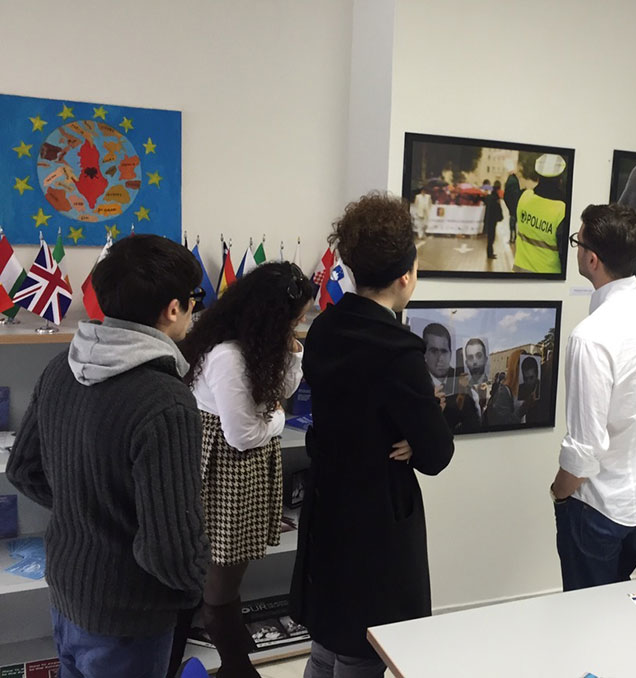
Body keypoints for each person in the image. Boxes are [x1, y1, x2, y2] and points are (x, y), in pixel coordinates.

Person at [7, 234, 209, 678]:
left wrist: (86, 507)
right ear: (173, 309)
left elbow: (22, 469)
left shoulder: (60, 368)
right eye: (194, 298)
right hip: (131, 615)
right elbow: (171, 550)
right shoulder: (166, 401)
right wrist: (196, 587)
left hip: (68, 590)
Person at [291, 191, 455, 678]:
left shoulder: (325, 329)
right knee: (364, 653)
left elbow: (349, 411)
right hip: (376, 520)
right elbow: (436, 453)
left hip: (329, 505)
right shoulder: (397, 351)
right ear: (407, 275)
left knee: (326, 645)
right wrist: (416, 432)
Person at [177, 262, 313, 678]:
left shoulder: (251, 345)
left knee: (225, 578)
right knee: (221, 584)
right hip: (227, 473)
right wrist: (277, 419)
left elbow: (281, 389)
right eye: (296, 318)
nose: (300, 324)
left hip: (241, 468)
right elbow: (242, 435)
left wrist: (293, 351)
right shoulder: (228, 356)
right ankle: (237, 668)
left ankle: (233, 664)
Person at [550, 204, 636, 591]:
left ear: (591, 259)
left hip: (598, 506)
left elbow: (585, 447)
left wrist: (559, 493)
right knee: (620, 604)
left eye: (577, 242)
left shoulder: (591, 337)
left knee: (586, 612)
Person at [513, 153, 567, 274]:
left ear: (538, 177)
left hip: (519, 273)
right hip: (548, 278)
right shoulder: (562, 209)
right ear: (560, 180)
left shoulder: (524, 197)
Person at [422, 323, 479, 434]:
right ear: (425, 354)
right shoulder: (415, 383)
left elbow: (473, 425)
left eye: (444, 351)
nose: (440, 358)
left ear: (450, 354)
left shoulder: (462, 385)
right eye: (434, 351)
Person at [484, 180, 503, 260]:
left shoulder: (489, 197)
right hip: (492, 220)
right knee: (491, 237)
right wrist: (500, 217)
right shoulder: (495, 198)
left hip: (488, 219)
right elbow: (498, 209)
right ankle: (489, 254)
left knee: (490, 237)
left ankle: (490, 252)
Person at [503, 172, 521, 242]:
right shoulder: (516, 182)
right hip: (516, 208)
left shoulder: (509, 182)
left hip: (511, 209)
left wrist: (509, 207)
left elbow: (505, 197)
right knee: (515, 222)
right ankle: (515, 237)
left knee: (511, 222)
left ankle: (511, 237)